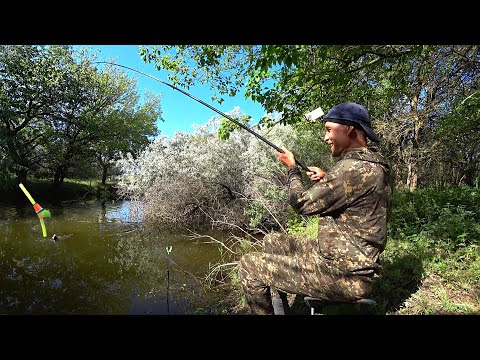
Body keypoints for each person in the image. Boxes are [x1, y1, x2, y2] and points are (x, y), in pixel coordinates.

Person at [238, 102, 393, 315]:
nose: (326, 137)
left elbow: (302, 203)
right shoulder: (373, 164)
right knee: (271, 240)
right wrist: (327, 177)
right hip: (346, 258)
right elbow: (353, 189)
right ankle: (281, 310)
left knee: (249, 265)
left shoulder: (350, 170)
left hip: (346, 276)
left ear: (349, 129)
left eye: (329, 130)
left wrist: (293, 170)